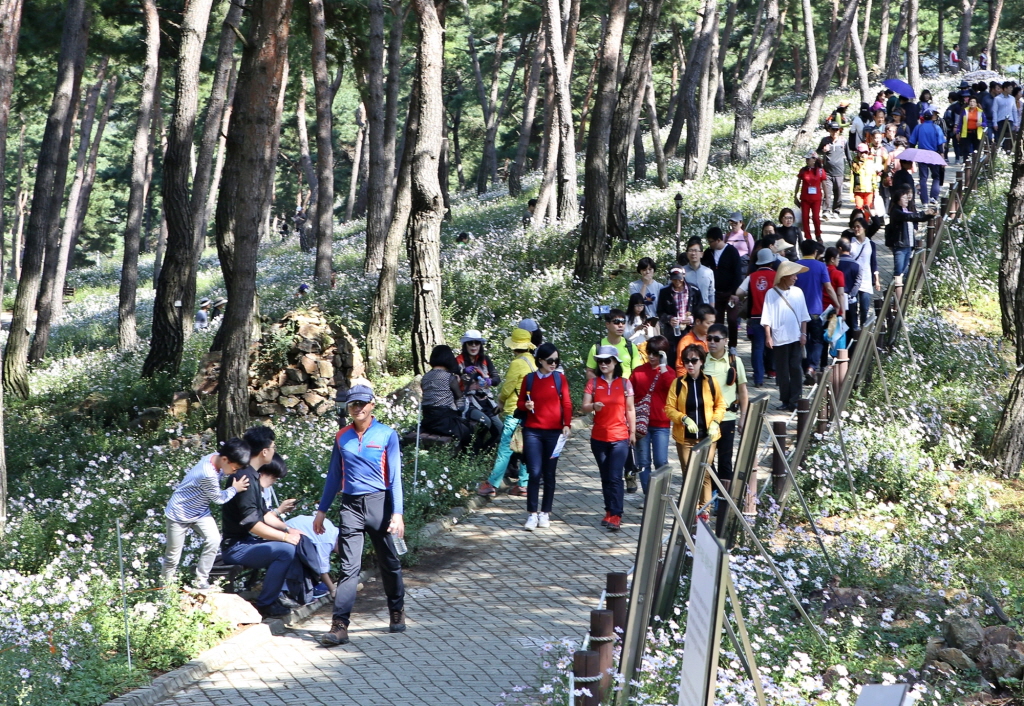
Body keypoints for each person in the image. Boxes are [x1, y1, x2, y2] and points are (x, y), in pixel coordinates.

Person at [315, 384, 406, 645]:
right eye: (353, 404)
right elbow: (334, 475)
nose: (358, 408)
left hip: (381, 504)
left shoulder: (387, 434)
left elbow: (395, 478)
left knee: (389, 562)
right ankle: (339, 625)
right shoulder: (341, 436)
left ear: (371, 405)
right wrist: (322, 511)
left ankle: (396, 609)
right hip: (350, 506)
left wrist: (397, 513)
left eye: (362, 404)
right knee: (348, 568)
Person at [221, 426, 304, 619]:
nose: (274, 450)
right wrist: (285, 537)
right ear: (264, 451)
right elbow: (253, 524)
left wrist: (289, 529)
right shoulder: (244, 478)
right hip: (235, 547)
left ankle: (279, 596)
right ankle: (266, 604)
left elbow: (264, 514)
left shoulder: (252, 475)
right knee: (285, 551)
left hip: (246, 542)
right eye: (273, 447)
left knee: (292, 544)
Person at [162, 438, 251, 589]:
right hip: (179, 514)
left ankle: (201, 580)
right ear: (225, 459)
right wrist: (235, 489)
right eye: (235, 469)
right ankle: (164, 591)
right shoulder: (207, 473)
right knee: (172, 558)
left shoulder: (215, 457)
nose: (235, 472)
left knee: (214, 539)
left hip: (200, 511)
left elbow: (223, 473)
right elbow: (218, 498)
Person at [517, 342, 573, 531]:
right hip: (532, 431)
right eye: (550, 360)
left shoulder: (559, 379)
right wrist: (526, 406)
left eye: (557, 360)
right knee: (534, 472)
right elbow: (519, 402)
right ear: (540, 360)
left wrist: (567, 424)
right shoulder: (529, 379)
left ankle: (545, 512)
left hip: (554, 433)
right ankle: (532, 513)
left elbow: (566, 403)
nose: (554, 364)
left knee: (549, 474)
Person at [664, 344, 725, 512]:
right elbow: (669, 408)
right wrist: (683, 418)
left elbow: (720, 405)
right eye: (686, 361)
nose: (690, 364)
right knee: (689, 473)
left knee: (704, 473)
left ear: (701, 361)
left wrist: (715, 422)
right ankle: (690, 509)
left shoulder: (711, 382)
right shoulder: (677, 384)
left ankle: (704, 510)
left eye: (694, 360)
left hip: (708, 437)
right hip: (685, 438)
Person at [582, 346, 636, 531]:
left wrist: (633, 432)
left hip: (620, 437)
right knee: (605, 476)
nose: (604, 364)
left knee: (615, 476)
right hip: (598, 438)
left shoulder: (625, 383)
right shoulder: (593, 383)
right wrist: (593, 406)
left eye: (608, 361)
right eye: (600, 361)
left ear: (615, 362)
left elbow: (630, 409)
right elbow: (584, 407)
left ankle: (616, 514)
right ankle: (608, 511)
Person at [477, 329, 536, 497]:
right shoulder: (534, 362)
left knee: (505, 448)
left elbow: (508, 387)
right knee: (525, 448)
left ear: (514, 346)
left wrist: (500, 401)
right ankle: (523, 485)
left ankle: (492, 484)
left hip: (514, 410)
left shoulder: (517, 363)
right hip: (529, 410)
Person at [703, 323, 748, 515]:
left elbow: (743, 391)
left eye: (716, 339)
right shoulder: (702, 361)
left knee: (725, 461)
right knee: (707, 460)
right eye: (709, 339)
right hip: (707, 419)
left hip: (728, 417)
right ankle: (713, 494)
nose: (712, 343)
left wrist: (743, 417)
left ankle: (724, 498)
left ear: (725, 341)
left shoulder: (734, 361)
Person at [762, 261, 811, 411]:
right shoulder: (771, 293)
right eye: (793, 275)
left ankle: (795, 399)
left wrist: (803, 333)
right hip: (779, 337)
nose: (795, 278)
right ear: (784, 276)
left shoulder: (798, 292)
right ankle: (785, 399)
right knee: (782, 370)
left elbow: (803, 315)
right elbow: (767, 318)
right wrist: (768, 336)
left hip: (795, 337)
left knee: (795, 368)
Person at [628, 336, 673, 495]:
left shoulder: (669, 373)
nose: (652, 357)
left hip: (661, 424)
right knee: (644, 462)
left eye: (656, 353)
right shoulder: (638, 372)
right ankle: (649, 497)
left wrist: (663, 367)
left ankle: (661, 494)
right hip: (641, 424)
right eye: (650, 353)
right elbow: (629, 396)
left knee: (661, 461)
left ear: (663, 355)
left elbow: (672, 388)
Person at [731, 248, 777, 387]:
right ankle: (772, 372)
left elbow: (739, 292)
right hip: (773, 317)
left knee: (757, 348)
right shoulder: (776, 275)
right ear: (771, 262)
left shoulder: (751, 277)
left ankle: (758, 379)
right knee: (773, 345)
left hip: (756, 316)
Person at [795, 239, 838, 382]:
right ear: (815, 252)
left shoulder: (796, 265)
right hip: (815, 311)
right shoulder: (821, 266)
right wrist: (837, 304)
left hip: (798, 312)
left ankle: (805, 369)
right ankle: (812, 367)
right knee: (817, 341)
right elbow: (829, 288)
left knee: (802, 342)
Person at [419, 345, 472, 451]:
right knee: (468, 431)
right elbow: (459, 398)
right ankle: (463, 457)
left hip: (428, 420)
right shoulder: (449, 377)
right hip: (444, 421)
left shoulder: (425, 377)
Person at [456, 331, 503, 450]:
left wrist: (490, 382)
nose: (473, 346)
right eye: (470, 343)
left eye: (476, 343)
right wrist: (462, 371)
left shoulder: (485, 359)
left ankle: (482, 453)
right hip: (467, 402)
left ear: (480, 345)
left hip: (485, 401)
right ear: (465, 345)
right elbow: (451, 375)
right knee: (485, 422)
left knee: (501, 430)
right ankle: (472, 452)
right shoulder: (459, 360)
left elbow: (497, 378)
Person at [702, 227, 743, 355]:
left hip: (730, 292)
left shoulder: (732, 251)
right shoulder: (708, 253)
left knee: (732, 319)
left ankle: (732, 345)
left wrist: (735, 293)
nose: (710, 244)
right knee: (717, 320)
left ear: (718, 240)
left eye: (711, 241)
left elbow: (737, 273)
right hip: (715, 293)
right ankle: (718, 345)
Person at [885, 187, 935, 282]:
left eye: (907, 197)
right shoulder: (896, 211)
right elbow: (909, 217)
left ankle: (900, 291)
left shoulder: (905, 210)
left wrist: (930, 215)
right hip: (900, 245)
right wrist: (924, 212)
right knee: (899, 271)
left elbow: (917, 218)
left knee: (905, 270)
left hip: (909, 245)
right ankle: (894, 293)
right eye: (904, 198)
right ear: (898, 200)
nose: (907, 200)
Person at [286, 513, 339, 600]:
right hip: (288, 535)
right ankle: (303, 591)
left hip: (289, 529)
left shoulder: (331, 529)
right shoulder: (327, 541)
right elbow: (323, 569)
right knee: (311, 559)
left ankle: (313, 586)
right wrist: (333, 589)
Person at [847, 217, 881, 327]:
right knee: (852, 307)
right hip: (852, 280)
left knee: (864, 308)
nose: (856, 229)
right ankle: (854, 329)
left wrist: (877, 280)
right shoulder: (850, 242)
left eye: (858, 227)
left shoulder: (870, 244)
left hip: (866, 279)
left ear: (864, 228)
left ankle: (863, 329)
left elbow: (873, 263)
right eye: (854, 227)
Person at [585, 309, 638, 380]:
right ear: (607, 324)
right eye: (616, 322)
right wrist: (601, 385)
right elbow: (589, 371)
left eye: (623, 322)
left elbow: (637, 372)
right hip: (604, 390)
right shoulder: (597, 347)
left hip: (626, 389)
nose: (620, 325)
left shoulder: (631, 347)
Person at [909, 110, 946, 205]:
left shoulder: (919, 127)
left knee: (923, 178)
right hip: (933, 154)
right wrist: (942, 153)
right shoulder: (936, 127)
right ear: (931, 117)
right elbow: (940, 143)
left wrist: (911, 154)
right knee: (936, 177)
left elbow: (912, 142)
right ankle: (933, 197)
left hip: (921, 154)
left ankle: (924, 201)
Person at [656, 265, 695, 356]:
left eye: (679, 279)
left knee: (689, 355)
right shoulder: (664, 292)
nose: (677, 282)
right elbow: (660, 312)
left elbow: (700, 310)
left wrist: (692, 319)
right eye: (674, 279)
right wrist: (669, 319)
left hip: (689, 330)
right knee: (672, 356)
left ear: (684, 276)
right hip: (671, 332)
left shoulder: (694, 290)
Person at [817, 121, 849, 219]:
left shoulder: (843, 141)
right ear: (829, 130)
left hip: (839, 172)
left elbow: (848, 155)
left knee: (838, 192)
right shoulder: (825, 140)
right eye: (832, 129)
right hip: (827, 172)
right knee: (827, 192)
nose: (834, 132)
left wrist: (852, 168)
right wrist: (823, 150)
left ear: (839, 130)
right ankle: (826, 211)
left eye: (836, 130)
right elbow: (817, 151)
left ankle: (836, 210)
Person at [675, 303, 716, 375]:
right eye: (708, 323)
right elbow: (681, 368)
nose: (712, 327)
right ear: (697, 321)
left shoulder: (714, 339)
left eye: (713, 323)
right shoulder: (686, 342)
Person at [794, 151, 827, 242]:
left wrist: (827, 197)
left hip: (816, 198)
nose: (807, 160)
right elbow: (798, 183)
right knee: (805, 217)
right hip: (805, 198)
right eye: (806, 159)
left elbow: (824, 184)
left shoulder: (820, 171)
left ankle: (818, 234)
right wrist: (795, 195)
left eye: (809, 159)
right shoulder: (803, 170)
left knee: (815, 217)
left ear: (814, 160)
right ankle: (808, 237)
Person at [835, 239, 863, 334]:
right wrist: (852, 295)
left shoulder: (835, 265)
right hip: (851, 300)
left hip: (836, 299)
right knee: (851, 325)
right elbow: (858, 282)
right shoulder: (857, 265)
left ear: (839, 249)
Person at [680, 236, 716, 307]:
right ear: (687, 254)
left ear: (701, 254)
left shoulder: (709, 272)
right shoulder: (681, 272)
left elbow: (711, 294)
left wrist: (712, 311)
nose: (693, 253)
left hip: (704, 310)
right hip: (687, 311)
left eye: (696, 251)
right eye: (690, 250)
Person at [993, 81, 1021, 152]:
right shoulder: (997, 98)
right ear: (1005, 89)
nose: (1011, 89)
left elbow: (1014, 110)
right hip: (1000, 120)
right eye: (1010, 88)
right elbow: (994, 111)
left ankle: (1008, 151)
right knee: (1000, 137)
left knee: (1009, 137)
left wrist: (1016, 122)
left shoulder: (1012, 98)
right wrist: (995, 123)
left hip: (1010, 120)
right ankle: (1000, 151)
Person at [851, 143, 877, 212]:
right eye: (861, 152)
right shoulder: (854, 162)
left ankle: (866, 221)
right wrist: (861, 162)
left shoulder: (870, 162)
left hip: (869, 190)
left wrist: (876, 189)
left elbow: (873, 176)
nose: (863, 154)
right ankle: (859, 221)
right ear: (858, 153)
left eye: (865, 152)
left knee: (868, 208)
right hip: (858, 190)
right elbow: (856, 170)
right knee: (859, 207)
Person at [944, 91, 966, 163]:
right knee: (953, 143)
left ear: (951, 98)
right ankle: (954, 158)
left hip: (952, 127)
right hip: (950, 127)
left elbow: (957, 117)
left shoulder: (955, 106)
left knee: (954, 143)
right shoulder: (955, 106)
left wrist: (955, 126)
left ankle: (956, 158)